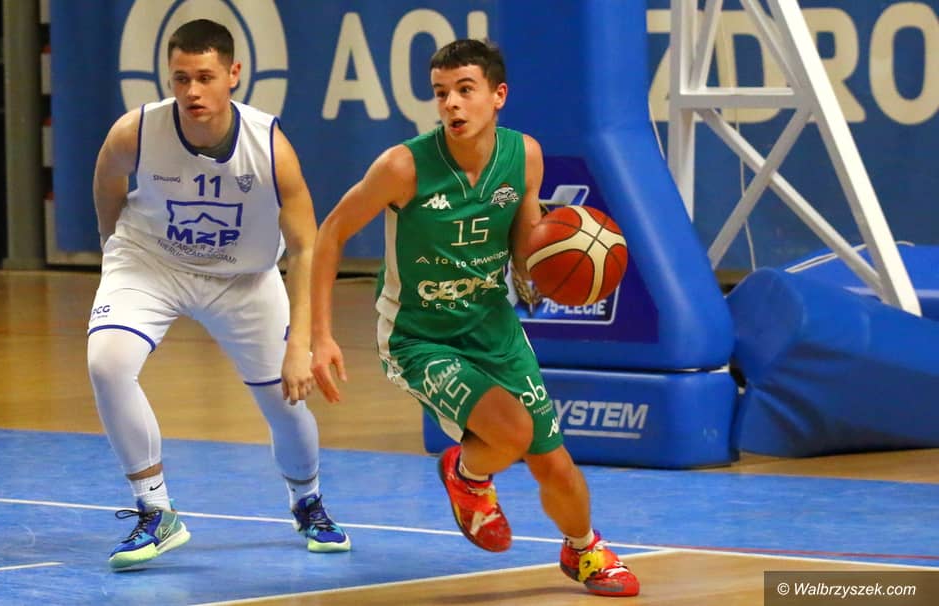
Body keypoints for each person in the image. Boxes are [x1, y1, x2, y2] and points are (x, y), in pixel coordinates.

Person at [309, 39, 638, 597]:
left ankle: (584, 549)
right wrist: (320, 336)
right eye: (441, 93)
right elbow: (331, 232)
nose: (452, 104)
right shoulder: (403, 166)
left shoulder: (524, 156)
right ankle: (466, 473)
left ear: (498, 95)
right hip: (420, 337)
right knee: (512, 431)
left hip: (493, 328)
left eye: (465, 90)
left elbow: (525, 248)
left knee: (554, 462)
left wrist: (563, 264)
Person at [87, 18, 350, 571]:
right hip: (153, 262)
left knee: (286, 401)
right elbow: (108, 179)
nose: (192, 91)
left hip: (244, 278)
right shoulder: (136, 132)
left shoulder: (270, 148)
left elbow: (305, 246)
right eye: (181, 78)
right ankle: (156, 510)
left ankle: (307, 501)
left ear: (234, 74)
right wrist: (114, 248)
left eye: (205, 77)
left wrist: (300, 343)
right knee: (107, 362)